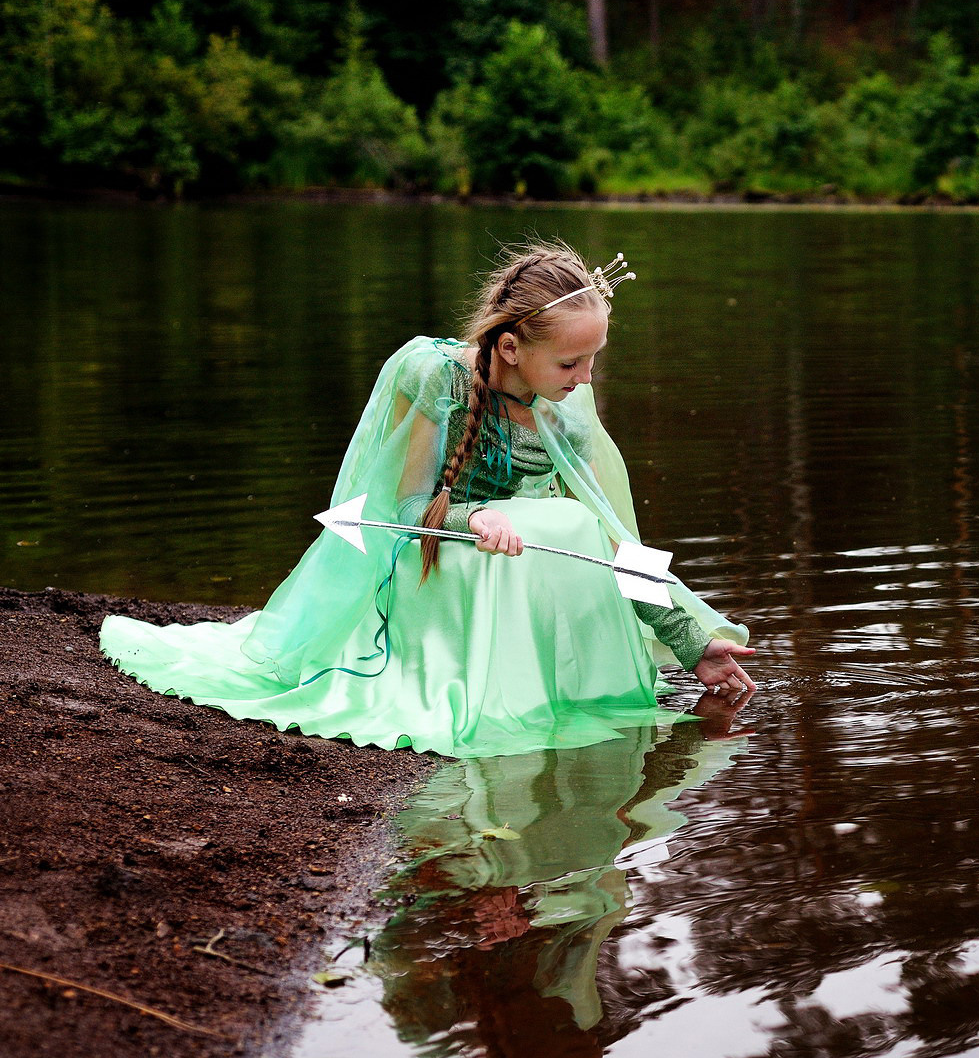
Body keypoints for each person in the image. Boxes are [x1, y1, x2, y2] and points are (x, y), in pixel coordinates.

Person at [100, 241, 755, 758]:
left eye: (594, 361)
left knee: (575, 525)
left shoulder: (566, 414)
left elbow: (615, 547)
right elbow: (404, 512)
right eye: (570, 364)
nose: (585, 380)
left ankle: (553, 689)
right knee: (535, 532)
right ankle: (491, 693)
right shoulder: (438, 381)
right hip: (432, 565)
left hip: (499, 569)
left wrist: (691, 640)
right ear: (510, 347)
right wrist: (472, 517)